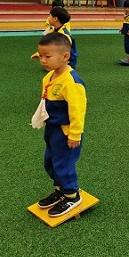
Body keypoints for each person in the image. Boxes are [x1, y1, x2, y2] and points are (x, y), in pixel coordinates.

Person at [34, 32, 87, 217]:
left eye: (47, 56)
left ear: (65, 56)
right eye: (40, 55)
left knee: (63, 164)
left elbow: (77, 111)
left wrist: (75, 134)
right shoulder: (51, 75)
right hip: (53, 129)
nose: (43, 60)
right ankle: (60, 190)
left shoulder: (71, 83)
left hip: (66, 132)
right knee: (50, 161)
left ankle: (72, 195)